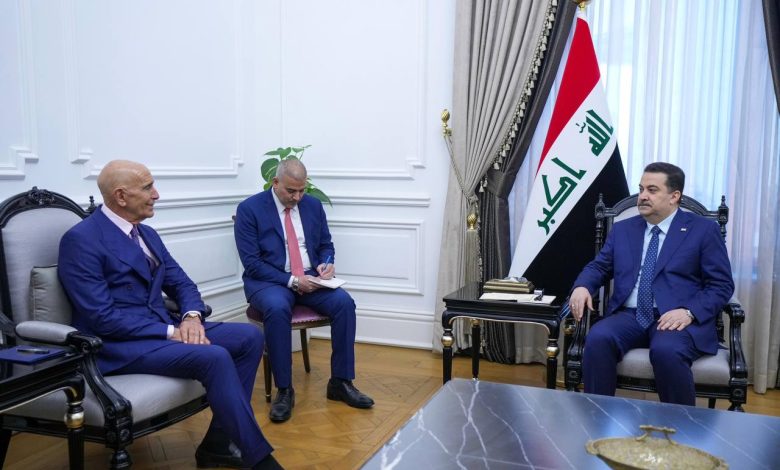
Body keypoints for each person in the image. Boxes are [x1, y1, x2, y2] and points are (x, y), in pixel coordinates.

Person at [58, 160, 282, 470]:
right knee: (214, 356)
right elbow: (102, 317)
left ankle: (218, 443)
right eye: (148, 187)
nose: (157, 194)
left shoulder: (147, 234)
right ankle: (260, 461)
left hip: (162, 328)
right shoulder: (81, 240)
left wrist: (191, 318)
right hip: (117, 345)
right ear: (121, 196)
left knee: (249, 336)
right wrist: (170, 332)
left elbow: (181, 283)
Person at [568, 162, 734, 406]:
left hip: (675, 318)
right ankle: (597, 415)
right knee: (598, 337)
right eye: (641, 189)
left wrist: (689, 312)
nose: (643, 196)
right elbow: (600, 267)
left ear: (674, 196)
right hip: (630, 315)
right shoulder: (623, 230)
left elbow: (721, 285)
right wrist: (582, 286)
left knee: (666, 351)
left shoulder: (703, 230)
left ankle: (679, 424)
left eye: (652, 190)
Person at [234, 158, 374, 423]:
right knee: (277, 308)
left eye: (302, 190)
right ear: (276, 182)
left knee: (344, 303)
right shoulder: (249, 209)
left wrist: (326, 263)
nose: (297, 197)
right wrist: (293, 281)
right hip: (270, 281)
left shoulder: (312, 205)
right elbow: (252, 263)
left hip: (311, 277)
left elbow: (325, 244)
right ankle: (284, 390)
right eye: (291, 191)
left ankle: (340, 382)